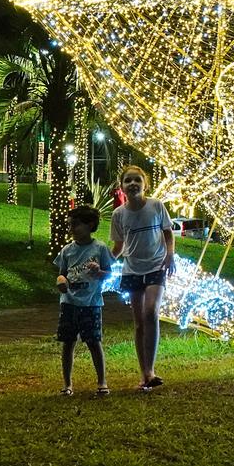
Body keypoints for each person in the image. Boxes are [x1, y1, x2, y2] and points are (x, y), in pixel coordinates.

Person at [109, 164, 174, 390]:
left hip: (156, 267)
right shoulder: (119, 214)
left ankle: (152, 369)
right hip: (131, 270)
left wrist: (170, 256)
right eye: (128, 181)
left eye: (137, 180)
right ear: (122, 187)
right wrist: (103, 263)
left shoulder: (156, 206)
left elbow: (168, 232)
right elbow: (118, 246)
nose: (133, 184)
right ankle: (145, 373)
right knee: (139, 324)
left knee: (150, 313)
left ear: (145, 184)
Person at [53, 205, 113, 397]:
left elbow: (109, 275)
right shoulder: (67, 250)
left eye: (76, 225)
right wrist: (61, 282)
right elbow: (62, 274)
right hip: (69, 303)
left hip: (92, 303)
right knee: (68, 343)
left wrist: (99, 272)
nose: (71, 229)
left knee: (94, 342)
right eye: (69, 225)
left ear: (90, 225)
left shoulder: (100, 248)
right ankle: (67, 384)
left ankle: (102, 382)